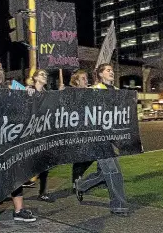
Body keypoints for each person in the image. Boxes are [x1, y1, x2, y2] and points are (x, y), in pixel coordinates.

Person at [75, 63, 130, 216]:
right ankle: (118, 206)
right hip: (98, 137)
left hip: (112, 137)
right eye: (108, 70)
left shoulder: (118, 91)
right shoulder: (95, 90)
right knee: (114, 172)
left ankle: (80, 185)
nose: (111, 72)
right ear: (100, 74)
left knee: (103, 173)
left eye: (112, 70)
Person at [0, 60, 36, 222]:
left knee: (15, 174)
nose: (0, 72)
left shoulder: (10, 90)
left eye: (1, 68)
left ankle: (19, 210)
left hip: (9, 140)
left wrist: (27, 94)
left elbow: (23, 109)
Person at [28, 69, 54, 203]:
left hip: (44, 133)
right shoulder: (28, 91)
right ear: (35, 77)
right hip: (30, 134)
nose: (45, 77)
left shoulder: (47, 94)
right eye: (42, 75)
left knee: (45, 164)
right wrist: (27, 93)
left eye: (46, 75)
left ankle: (43, 192)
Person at [68, 70, 92, 192]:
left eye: (86, 78)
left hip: (89, 131)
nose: (86, 80)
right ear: (77, 81)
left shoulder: (89, 92)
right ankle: (76, 183)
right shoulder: (72, 93)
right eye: (83, 78)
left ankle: (78, 180)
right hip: (77, 131)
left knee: (92, 156)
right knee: (79, 158)